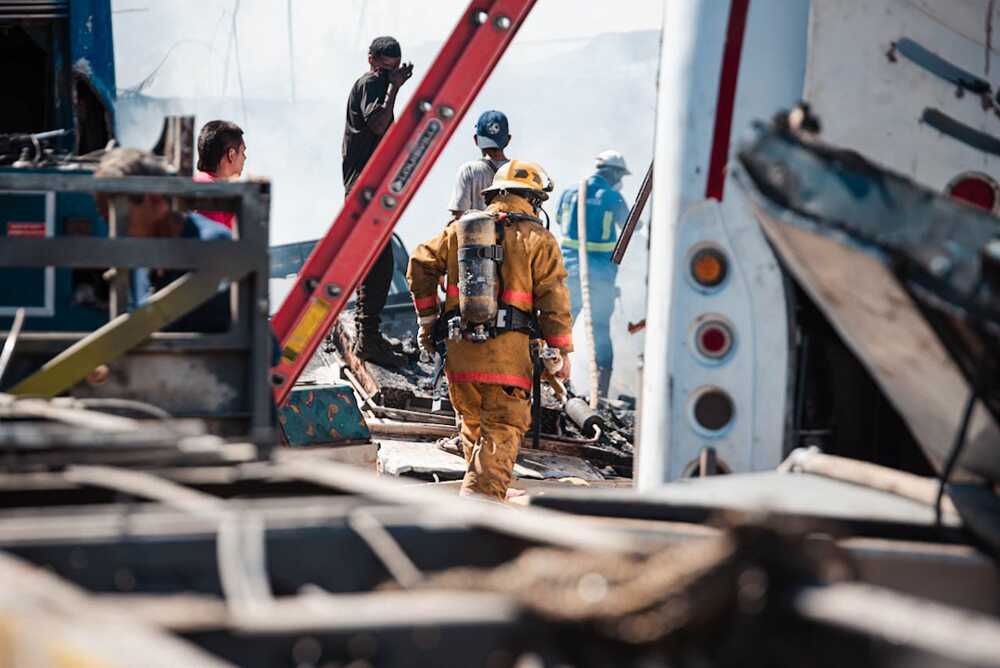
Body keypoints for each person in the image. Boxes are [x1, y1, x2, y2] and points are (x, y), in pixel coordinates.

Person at [407, 161, 573, 501]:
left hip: (460, 356)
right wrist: (560, 352)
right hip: (507, 362)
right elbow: (554, 299)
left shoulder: (459, 230)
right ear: (533, 200)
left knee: (473, 428)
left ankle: (478, 501)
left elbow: (420, 263)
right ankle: (476, 513)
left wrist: (427, 321)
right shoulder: (539, 239)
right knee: (501, 431)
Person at [95, 148, 233, 333]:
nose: (114, 233)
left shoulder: (212, 246)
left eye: (120, 219)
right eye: (109, 221)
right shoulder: (139, 260)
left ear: (154, 200)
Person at [342, 36, 414, 367]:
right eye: (386, 70)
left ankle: (368, 334)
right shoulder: (372, 84)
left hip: (371, 189)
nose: (390, 76)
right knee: (379, 265)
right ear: (371, 60)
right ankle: (367, 337)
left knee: (379, 264)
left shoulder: (378, 84)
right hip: (365, 189)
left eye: (394, 71)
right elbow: (377, 123)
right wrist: (394, 87)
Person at [554, 149, 631, 397]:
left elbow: (559, 220)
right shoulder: (612, 197)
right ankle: (602, 394)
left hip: (568, 271)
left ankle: (553, 382)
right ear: (615, 174)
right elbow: (631, 227)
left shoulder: (569, 192)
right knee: (599, 330)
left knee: (561, 326)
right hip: (600, 277)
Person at [447, 110, 511, 218]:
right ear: (508, 139)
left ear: (476, 139)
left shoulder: (469, 170)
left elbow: (458, 217)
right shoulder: (520, 171)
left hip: (479, 229)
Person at [192, 120, 246, 231]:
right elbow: (215, 240)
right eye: (242, 152)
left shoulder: (203, 183)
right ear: (231, 155)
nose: (245, 157)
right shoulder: (210, 192)